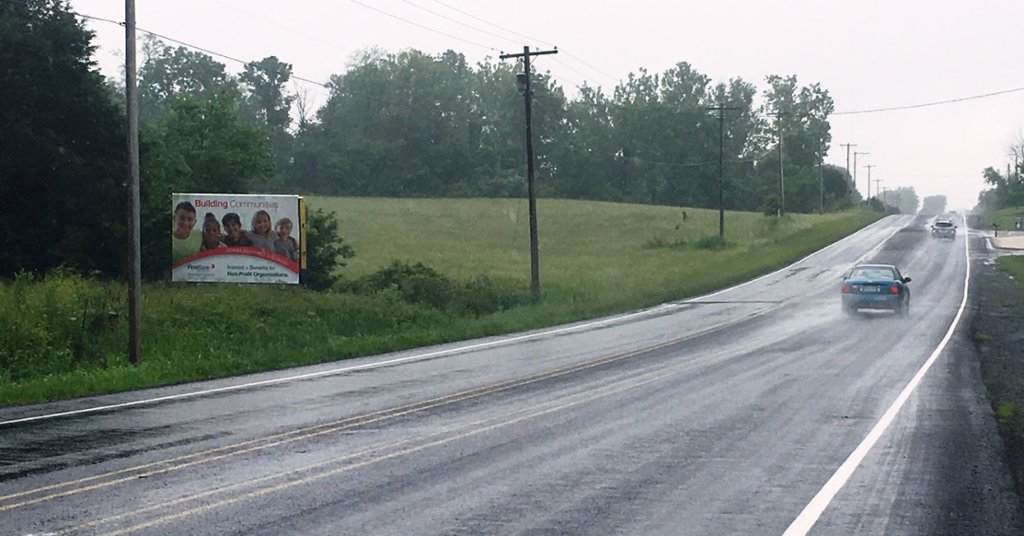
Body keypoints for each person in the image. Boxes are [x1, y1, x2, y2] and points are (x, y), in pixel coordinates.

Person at [172, 201, 201, 265]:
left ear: (195, 222)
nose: (186, 223)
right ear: (174, 218)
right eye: (182, 218)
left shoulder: (199, 235)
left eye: (190, 219)